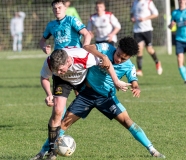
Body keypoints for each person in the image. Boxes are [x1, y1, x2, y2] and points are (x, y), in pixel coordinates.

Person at [32, 37, 165, 159]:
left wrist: (136, 87)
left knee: (127, 121)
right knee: (64, 122)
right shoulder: (105, 48)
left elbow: (133, 79)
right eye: (118, 55)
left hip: (106, 98)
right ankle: (43, 152)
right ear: (117, 47)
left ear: (129, 58)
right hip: (86, 95)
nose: (119, 59)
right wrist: (102, 56)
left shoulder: (129, 66)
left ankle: (152, 150)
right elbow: (88, 47)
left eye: (123, 59)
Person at [30, 46, 130, 160]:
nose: (58, 72)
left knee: (75, 112)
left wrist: (116, 81)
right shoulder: (50, 62)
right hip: (63, 82)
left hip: (82, 81)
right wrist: (49, 94)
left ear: (68, 61)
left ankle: (45, 150)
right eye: (56, 69)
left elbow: (107, 62)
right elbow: (44, 77)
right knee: (58, 111)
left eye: (61, 69)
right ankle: (52, 152)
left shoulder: (85, 57)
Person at [130, 0, 163, 76]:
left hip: (147, 30)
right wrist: (132, 18)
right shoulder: (134, 2)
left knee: (149, 49)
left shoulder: (148, 2)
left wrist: (145, 18)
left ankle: (157, 62)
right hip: (137, 30)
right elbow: (131, 13)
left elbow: (156, 14)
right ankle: (140, 70)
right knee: (139, 49)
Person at [168, 0, 186, 84]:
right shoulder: (175, 12)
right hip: (179, 39)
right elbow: (170, 26)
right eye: (180, 0)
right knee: (179, 60)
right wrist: (171, 25)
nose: (181, 1)